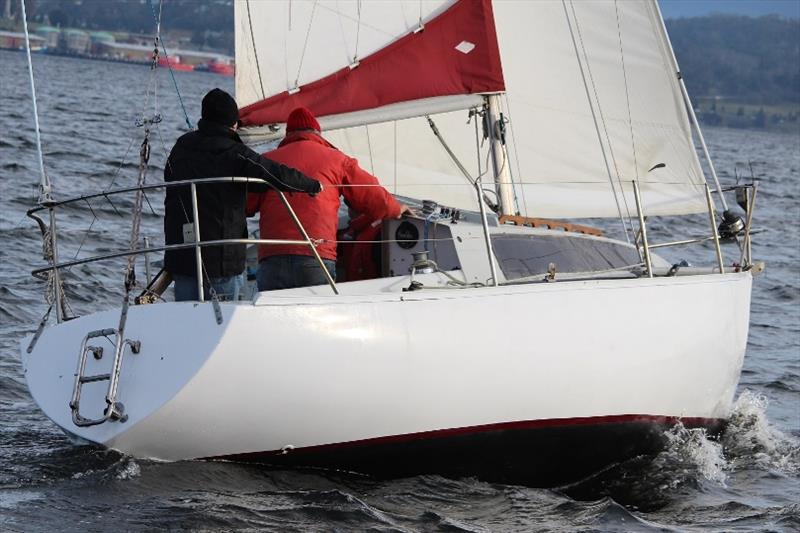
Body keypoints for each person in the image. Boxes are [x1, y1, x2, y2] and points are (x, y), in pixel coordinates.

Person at [164, 89, 322, 301]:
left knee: (189, 325)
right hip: (221, 263)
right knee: (220, 326)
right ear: (233, 123)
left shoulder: (181, 146)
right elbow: (274, 173)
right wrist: (312, 185)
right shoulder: (235, 153)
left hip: (181, 258)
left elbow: (169, 175)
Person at [247, 107, 410, 291]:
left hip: (273, 258)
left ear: (288, 134)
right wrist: (397, 209)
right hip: (316, 257)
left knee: (273, 318)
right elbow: (375, 199)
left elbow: (246, 205)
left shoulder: (265, 161)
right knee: (317, 318)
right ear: (317, 133)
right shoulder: (337, 160)